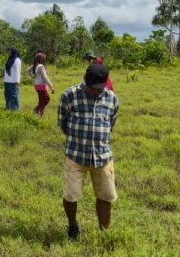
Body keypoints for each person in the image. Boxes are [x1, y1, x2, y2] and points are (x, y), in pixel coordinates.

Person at [58, 64, 119, 241]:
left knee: (106, 196)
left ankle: (104, 233)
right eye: (92, 88)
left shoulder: (112, 99)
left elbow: (111, 124)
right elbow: (63, 123)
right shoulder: (69, 95)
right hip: (76, 155)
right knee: (71, 195)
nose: (95, 92)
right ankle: (73, 226)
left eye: (99, 89)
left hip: (102, 156)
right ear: (86, 81)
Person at [27, 52, 55, 116]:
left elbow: (27, 71)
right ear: (42, 59)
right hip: (42, 86)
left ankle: (37, 110)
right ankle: (39, 112)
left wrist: (32, 75)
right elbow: (45, 78)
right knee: (46, 99)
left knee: (42, 100)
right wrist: (51, 87)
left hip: (36, 86)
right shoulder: (41, 66)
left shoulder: (35, 65)